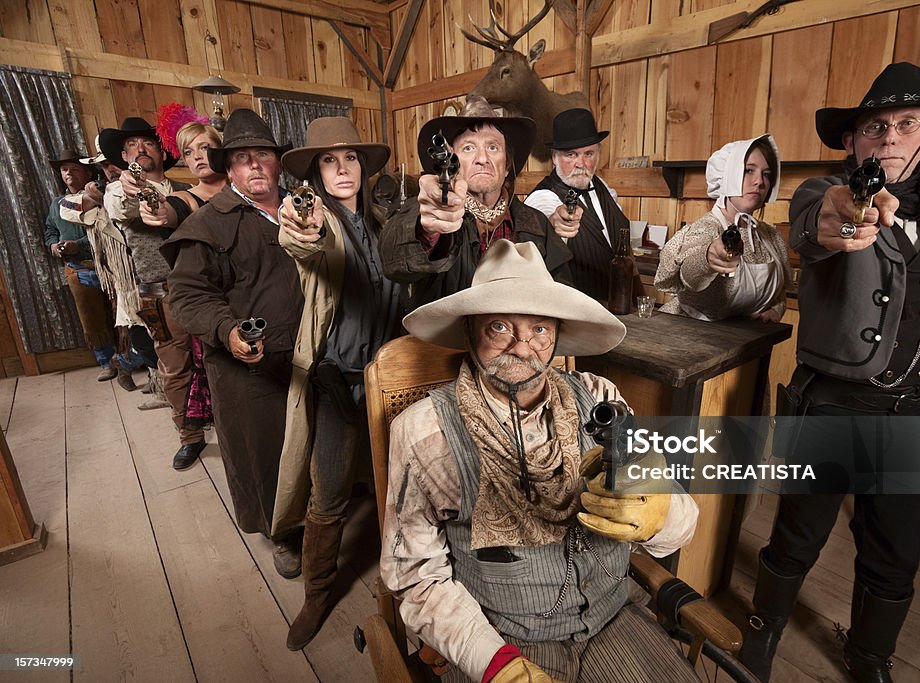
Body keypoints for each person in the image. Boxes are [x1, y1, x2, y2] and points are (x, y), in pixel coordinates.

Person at [739, 62, 920, 683]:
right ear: (853, 140)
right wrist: (842, 219)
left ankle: (868, 655)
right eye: (876, 126)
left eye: (908, 124)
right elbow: (818, 225)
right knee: (799, 535)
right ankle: (761, 634)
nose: (891, 137)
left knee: (896, 552)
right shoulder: (821, 193)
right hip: (835, 405)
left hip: (914, 409)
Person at [380, 239, 702, 683]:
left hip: (615, 618)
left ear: (557, 335)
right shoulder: (424, 431)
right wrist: (492, 661)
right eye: (499, 327)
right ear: (470, 331)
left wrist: (660, 509)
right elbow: (415, 577)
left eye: (539, 329)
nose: (522, 347)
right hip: (500, 637)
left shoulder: (602, 398)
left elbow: (681, 525)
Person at [274, 116, 404, 649]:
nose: (342, 168)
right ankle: (316, 594)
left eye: (350, 158)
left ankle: (404, 589)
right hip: (338, 382)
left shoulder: (383, 224)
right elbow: (302, 242)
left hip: (393, 379)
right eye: (330, 160)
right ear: (316, 173)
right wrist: (297, 224)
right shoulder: (318, 221)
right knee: (326, 497)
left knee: (398, 490)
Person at [162, 109, 305, 578]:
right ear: (230, 168)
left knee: (312, 444)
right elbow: (186, 295)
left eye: (263, 155)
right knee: (263, 451)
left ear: (277, 162)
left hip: (309, 353)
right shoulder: (212, 223)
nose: (255, 166)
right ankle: (282, 532)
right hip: (252, 362)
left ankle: (321, 514)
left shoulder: (302, 208)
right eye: (243, 158)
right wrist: (227, 331)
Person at [380, 96, 572, 309]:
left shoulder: (536, 223)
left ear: (507, 164)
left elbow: (563, 295)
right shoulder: (428, 211)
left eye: (492, 147)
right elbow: (393, 261)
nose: (482, 158)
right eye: (468, 148)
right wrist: (426, 229)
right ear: (453, 162)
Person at [141, 108, 227, 470]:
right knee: (178, 368)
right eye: (188, 152)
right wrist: (154, 208)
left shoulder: (245, 191)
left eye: (204, 147)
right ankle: (190, 437)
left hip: (234, 297)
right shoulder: (182, 199)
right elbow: (165, 212)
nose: (197, 157)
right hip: (185, 300)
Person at [100, 117, 191, 412]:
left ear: (162, 152)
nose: (141, 148)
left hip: (196, 287)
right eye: (132, 145)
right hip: (158, 292)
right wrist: (134, 187)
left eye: (148, 143)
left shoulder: (187, 188)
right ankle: (189, 434)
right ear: (124, 157)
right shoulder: (116, 192)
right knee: (173, 367)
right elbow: (123, 208)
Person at [654, 134, 791, 322]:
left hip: (744, 341)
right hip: (689, 337)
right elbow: (690, 275)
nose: (759, 181)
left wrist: (776, 309)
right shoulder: (706, 228)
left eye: (766, 174)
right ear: (727, 177)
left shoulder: (770, 237)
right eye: (748, 170)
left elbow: (780, 292)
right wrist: (708, 258)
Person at [63, 139, 158, 388]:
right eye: (104, 165)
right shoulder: (95, 193)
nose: (110, 169)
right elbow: (67, 209)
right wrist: (95, 196)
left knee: (157, 332)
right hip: (123, 277)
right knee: (137, 328)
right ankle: (147, 374)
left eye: (113, 162)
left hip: (150, 270)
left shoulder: (143, 188)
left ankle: (141, 371)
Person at [525, 108, 631, 300]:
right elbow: (550, 215)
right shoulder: (542, 197)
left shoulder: (602, 187)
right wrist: (557, 221)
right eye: (571, 155)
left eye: (588, 154)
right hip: (576, 312)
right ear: (554, 157)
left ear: (598, 154)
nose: (581, 163)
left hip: (620, 304)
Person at [44, 148, 118, 381]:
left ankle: (131, 357)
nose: (68, 174)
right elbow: (49, 230)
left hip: (109, 264)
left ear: (87, 173)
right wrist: (54, 245)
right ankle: (106, 361)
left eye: (74, 169)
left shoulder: (100, 198)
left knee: (121, 313)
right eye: (64, 170)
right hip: (78, 269)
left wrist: (79, 245)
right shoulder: (57, 204)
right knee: (91, 317)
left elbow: (109, 231)